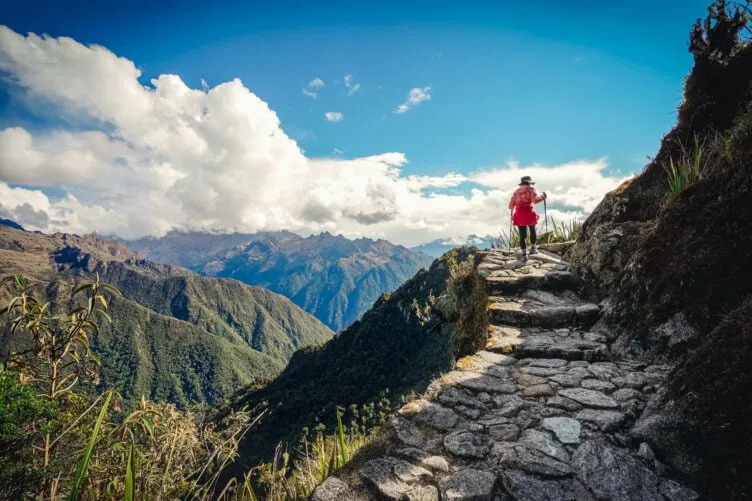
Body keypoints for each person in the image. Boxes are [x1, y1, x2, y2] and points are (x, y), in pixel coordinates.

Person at [508, 175, 547, 261]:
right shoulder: (531, 190)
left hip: (519, 214)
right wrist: (543, 196)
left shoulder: (516, 192)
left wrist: (514, 206)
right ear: (529, 183)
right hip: (529, 213)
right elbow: (535, 200)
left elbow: (510, 205)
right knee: (532, 230)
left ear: (522, 183)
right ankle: (533, 248)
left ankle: (524, 255)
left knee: (522, 236)